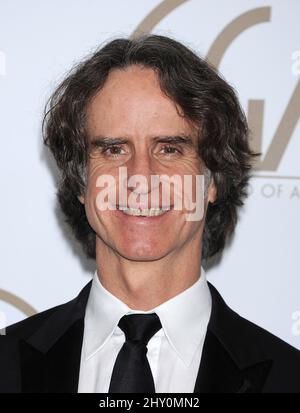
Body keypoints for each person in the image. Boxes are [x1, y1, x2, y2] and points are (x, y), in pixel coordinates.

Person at [0, 34, 299, 393]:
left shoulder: (289, 377)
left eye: (170, 149)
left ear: (214, 179)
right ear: (81, 183)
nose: (140, 177)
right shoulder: (7, 366)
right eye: (113, 150)